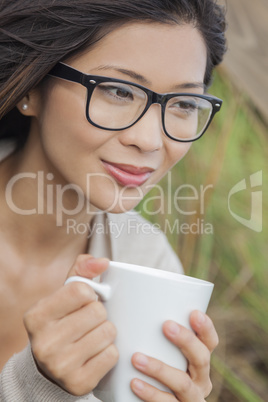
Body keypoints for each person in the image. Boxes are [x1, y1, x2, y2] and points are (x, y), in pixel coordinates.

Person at [0, 0, 226, 400]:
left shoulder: (149, 262)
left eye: (185, 104)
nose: (151, 141)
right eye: (119, 91)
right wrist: (33, 385)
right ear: (31, 87)